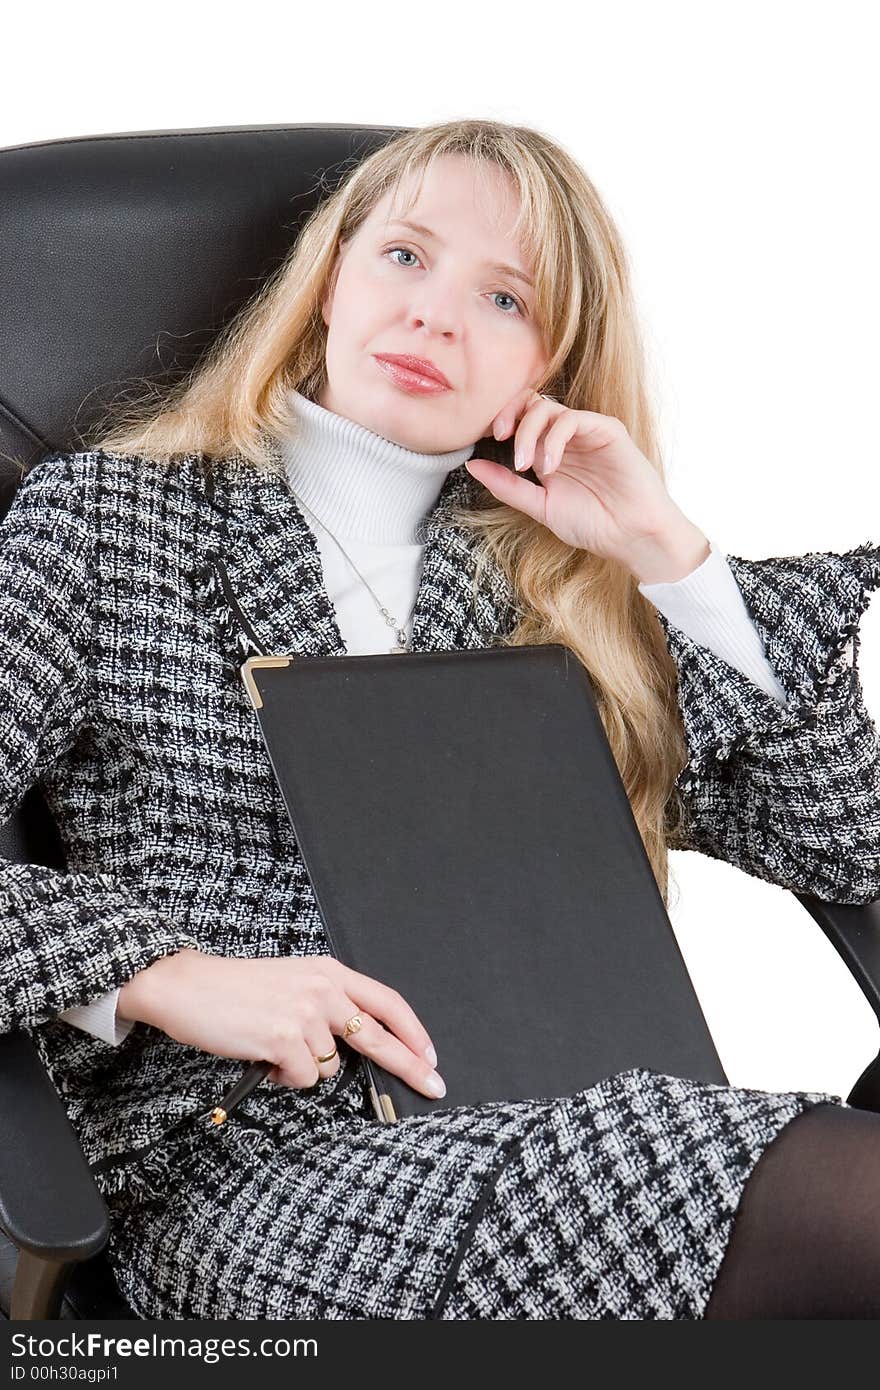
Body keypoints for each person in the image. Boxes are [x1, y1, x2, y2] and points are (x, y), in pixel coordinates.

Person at [2, 117, 879, 1320]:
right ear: (329, 279)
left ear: (548, 370)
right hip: (247, 1168)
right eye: (404, 258)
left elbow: (847, 847)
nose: (434, 316)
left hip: (576, 1121)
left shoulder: (562, 589)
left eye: (505, 299)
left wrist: (673, 560)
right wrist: (160, 970)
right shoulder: (109, 523)